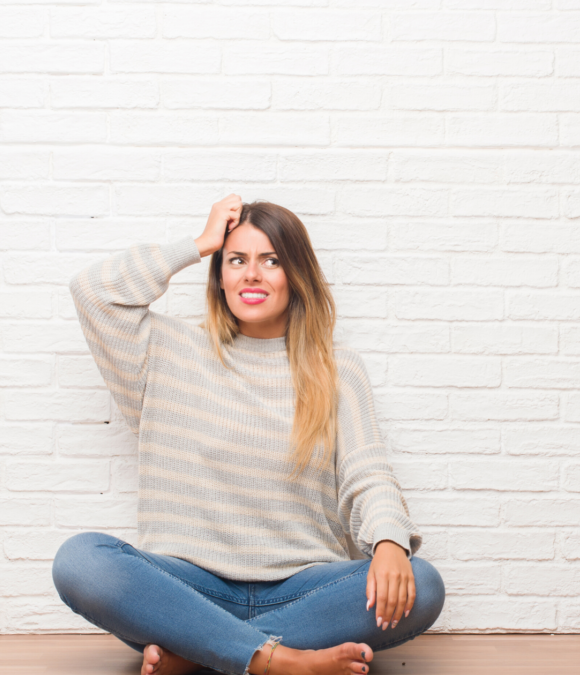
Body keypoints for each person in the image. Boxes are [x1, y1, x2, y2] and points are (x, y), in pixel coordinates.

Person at [51, 194, 445, 675]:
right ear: (219, 275)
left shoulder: (338, 369)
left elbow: (368, 473)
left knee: (422, 583)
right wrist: (198, 243)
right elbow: (93, 291)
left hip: (304, 588)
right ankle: (279, 661)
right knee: (81, 562)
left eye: (271, 261)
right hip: (188, 587)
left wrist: (388, 543)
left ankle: (204, 652)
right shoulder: (167, 350)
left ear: (296, 275)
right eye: (236, 260)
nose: (251, 274)